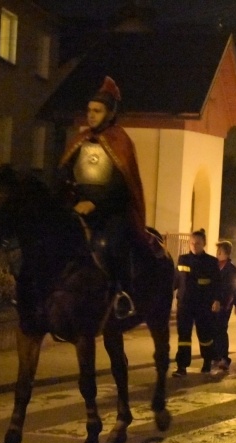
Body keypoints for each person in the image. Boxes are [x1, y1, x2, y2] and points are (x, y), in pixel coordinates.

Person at [58, 76, 148, 318]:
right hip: (78, 208)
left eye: (97, 111)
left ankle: (122, 294)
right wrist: (72, 197)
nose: (91, 115)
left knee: (112, 245)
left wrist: (95, 203)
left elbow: (121, 185)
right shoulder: (80, 140)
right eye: (89, 110)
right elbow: (65, 173)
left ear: (109, 113)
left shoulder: (120, 141)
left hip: (111, 212)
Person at [172, 229, 221, 377]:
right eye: (192, 242)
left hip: (203, 304)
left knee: (205, 335)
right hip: (185, 304)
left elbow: (217, 283)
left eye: (198, 243)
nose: (194, 245)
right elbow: (176, 280)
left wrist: (217, 300)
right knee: (183, 337)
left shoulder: (211, 262)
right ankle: (182, 366)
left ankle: (207, 361)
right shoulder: (182, 259)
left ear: (204, 244)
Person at [213, 240, 236, 372]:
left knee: (221, 329)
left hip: (225, 304)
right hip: (212, 303)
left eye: (220, 251)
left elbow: (235, 288)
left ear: (227, 253)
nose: (217, 253)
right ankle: (215, 355)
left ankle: (225, 358)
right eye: (217, 251)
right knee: (213, 328)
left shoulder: (231, 269)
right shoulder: (213, 266)